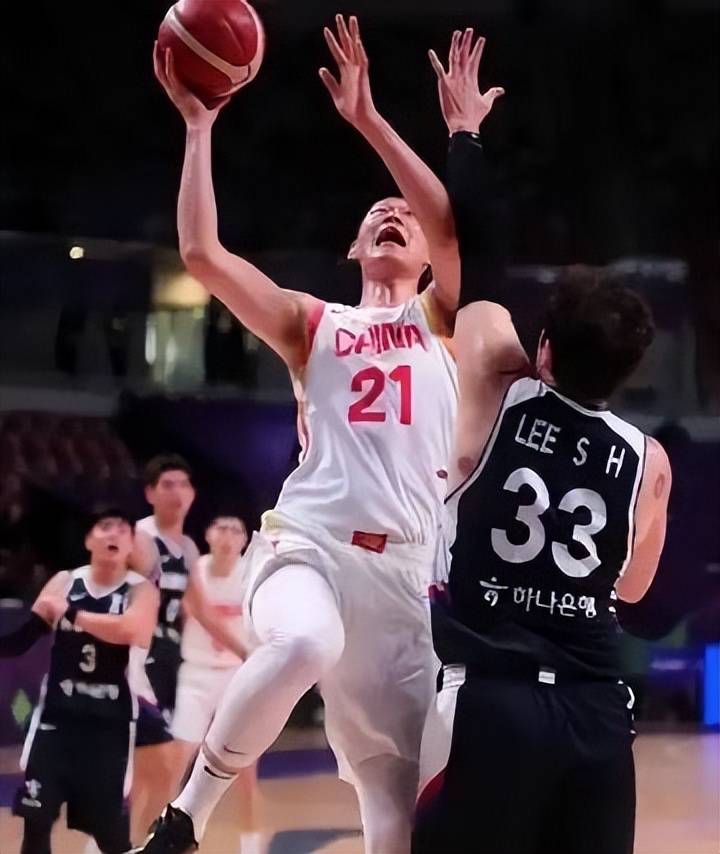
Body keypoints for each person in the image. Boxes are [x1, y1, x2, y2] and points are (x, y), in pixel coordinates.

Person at [139, 15, 502, 854]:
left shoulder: (447, 323)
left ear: (425, 254)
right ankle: (186, 816)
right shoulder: (315, 325)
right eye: (376, 213)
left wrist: (370, 120)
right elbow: (202, 254)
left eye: (403, 215)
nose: (392, 213)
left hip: (407, 577)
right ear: (352, 247)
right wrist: (198, 127)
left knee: (392, 810)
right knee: (305, 640)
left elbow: (453, 227)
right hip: (309, 543)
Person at [413, 31, 673, 854]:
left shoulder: (499, 383)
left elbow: (478, 249)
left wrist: (464, 134)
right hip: (596, 713)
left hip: (495, 701)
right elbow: (633, 586)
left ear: (546, 350)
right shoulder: (649, 461)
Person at [0, 509, 159, 854]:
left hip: (109, 727)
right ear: (89, 540)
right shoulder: (64, 582)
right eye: (105, 527)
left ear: (131, 545)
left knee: (111, 838)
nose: (114, 534)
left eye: (123, 530)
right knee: (36, 822)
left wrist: (71, 614)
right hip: (56, 721)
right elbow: (22, 640)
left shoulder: (140, 590)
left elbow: (133, 630)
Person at [130, 455, 246, 843]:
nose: (177, 492)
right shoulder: (139, 538)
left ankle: (138, 843)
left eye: (183, 484)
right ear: (150, 493)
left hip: (164, 661)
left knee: (160, 772)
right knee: (145, 771)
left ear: (193, 494)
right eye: (167, 485)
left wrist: (248, 653)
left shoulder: (188, 548)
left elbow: (203, 612)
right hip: (131, 660)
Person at [170, 514, 251, 791]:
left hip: (237, 672)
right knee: (181, 751)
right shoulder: (194, 572)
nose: (227, 536)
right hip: (196, 671)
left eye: (235, 530)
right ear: (208, 534)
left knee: (244, 759)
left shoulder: (252, 574)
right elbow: (192, 615)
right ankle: (169, 811)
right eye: (222, 528)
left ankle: (250, 821)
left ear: (245, 540)